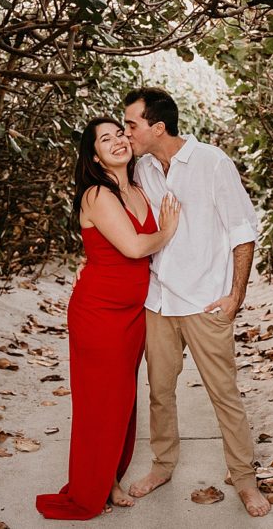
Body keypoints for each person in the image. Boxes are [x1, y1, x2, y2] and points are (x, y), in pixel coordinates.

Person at [122, 88, 271, 518]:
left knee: (224, 395)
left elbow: (243, 231)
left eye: (132, 124)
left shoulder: (212, 162)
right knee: (160, 392)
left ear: (157, 127)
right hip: (158, 300)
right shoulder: (143, 168)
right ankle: (163, 465)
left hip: (206, 302)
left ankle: (244, 480)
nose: (126, 132)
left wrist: (234, 297)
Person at [36, 116, 181, 520]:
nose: (117, 140)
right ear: (95, 156)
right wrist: (166, 232)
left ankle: (110, 477)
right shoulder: (97, 194)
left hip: (132, 313)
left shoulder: (137, 187)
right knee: (99, 403)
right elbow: (135, 248)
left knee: (120, 402)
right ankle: (96, 485)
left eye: (120, 133)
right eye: (105, 138)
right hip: (99, 313)